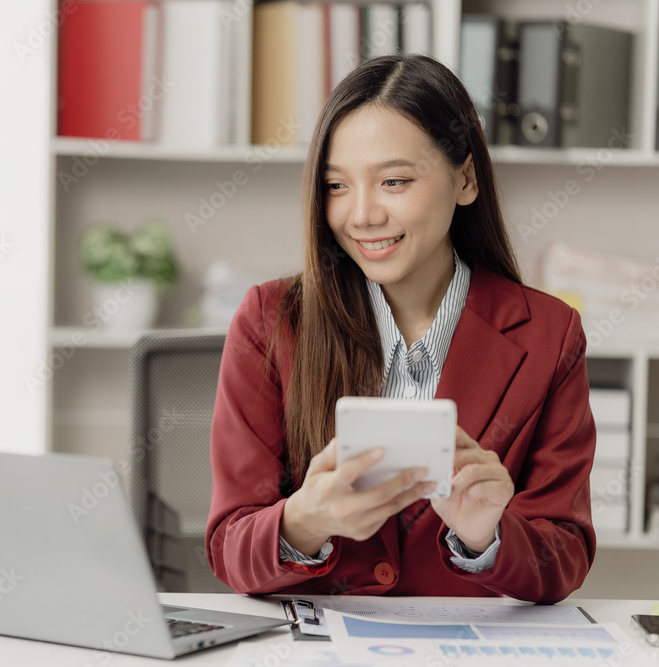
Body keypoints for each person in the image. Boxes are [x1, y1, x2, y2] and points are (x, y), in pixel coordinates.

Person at [204, 54, 595, 604]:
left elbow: (566, 556)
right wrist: (304, 520)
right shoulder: (269, 321)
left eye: (393, 181)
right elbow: (229, 548)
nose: (361, 215)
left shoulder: (549, 335)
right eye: (336, 186)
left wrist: (487, 535)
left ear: (465, 178)